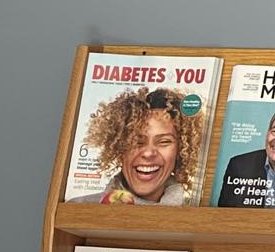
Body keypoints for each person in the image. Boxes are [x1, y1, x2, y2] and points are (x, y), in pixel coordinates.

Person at [71, 87, 205, 205]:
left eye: (163, 142)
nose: (148, 153)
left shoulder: (196, 215)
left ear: (180, 150)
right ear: (118, 147)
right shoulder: (79, 207)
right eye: (136, 141)